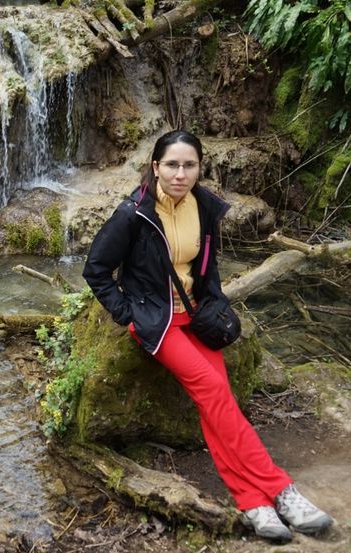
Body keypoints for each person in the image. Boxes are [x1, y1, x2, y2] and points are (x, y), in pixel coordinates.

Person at [82, 130, 334, 542]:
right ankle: (281, 491)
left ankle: (252, 502)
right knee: (214, 394)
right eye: (172, 165)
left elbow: (205, 269)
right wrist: (128, 315)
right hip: (159, 323)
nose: (180, 174)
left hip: (197, 318)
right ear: (155, 167)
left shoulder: (203, 206)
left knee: (216, 401)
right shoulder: (133, 214)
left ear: (200, 168)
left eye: (189, 165)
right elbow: (96, 270)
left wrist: (213, 301)